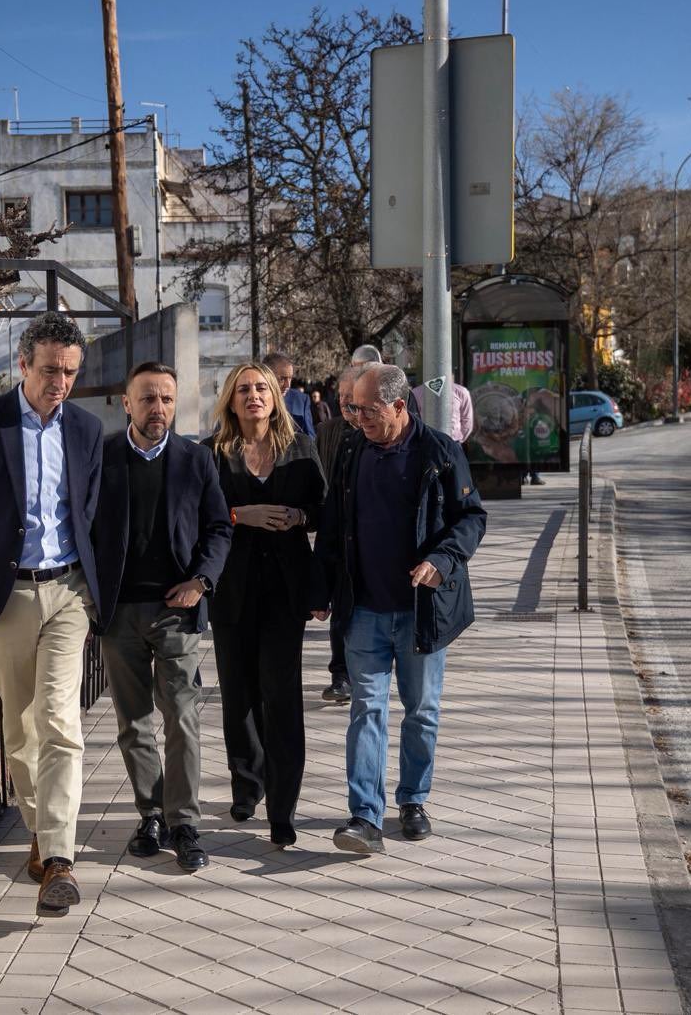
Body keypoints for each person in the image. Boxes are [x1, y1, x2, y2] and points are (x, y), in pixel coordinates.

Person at [0, 312, 101, 913]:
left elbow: (87, 510)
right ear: (23, 365)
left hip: (67, 594)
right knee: (22, 726)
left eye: (69, 372)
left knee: (61, 717)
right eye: (50, 370)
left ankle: (59, 856)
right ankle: (41, 833)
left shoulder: (85, 430)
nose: (59, 382)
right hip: (7, 596)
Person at [315, 363, 487, 855]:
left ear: (398, 405)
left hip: (421, 609)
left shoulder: (440, 452)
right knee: (366, 709)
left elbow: (471, 518)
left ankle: (412, 801)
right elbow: (333, 524)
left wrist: (441, 559)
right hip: (364, 608)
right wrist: (321, 591)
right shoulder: (351, 450)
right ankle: (363, 817)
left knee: (421, 712)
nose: (358, 418)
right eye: (352, 408)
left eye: (368, 410)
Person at [91, 362, 232, 873]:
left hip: (177, 610)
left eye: (167, 399)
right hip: (118, 613)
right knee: (134, 723)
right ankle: (151, 815)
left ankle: (185, 823)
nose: (159, 409)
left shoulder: (195, 460)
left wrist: (201, 581)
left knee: (183, 718)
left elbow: (219, 528)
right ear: (126, 403)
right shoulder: (100, 457)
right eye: (148, 399)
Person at [205, 362, 327, 848]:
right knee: (238, 694)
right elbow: (199, 515)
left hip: (284, 589)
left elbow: (322, 510)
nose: (253, 396)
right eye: (243, 390)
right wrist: (241, 514)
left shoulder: (300, 447)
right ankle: (246, 785)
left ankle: (283, 804)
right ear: (231, 402)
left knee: (281, 696)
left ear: (276, 396)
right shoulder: (213, 453)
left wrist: (298, 515)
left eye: (261, 388)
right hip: (231, 588)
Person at [314, 363, 366, 703]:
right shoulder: (328, 431)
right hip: (335, 530)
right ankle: (341, 675)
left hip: (369, 535)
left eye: (354, 401)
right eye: (343, 399)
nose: (348, 408)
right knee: (339, 605)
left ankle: (361, 671)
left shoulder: (377, 430)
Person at [262, 351, 314, 437]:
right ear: (266, 376)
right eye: (282, 379)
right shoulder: (255, 400)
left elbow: (310, 439)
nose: (288, 385)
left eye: (290, 378)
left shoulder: (301, 400)